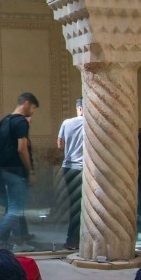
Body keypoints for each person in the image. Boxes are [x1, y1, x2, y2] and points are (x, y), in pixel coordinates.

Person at [0, 92, 37, 253]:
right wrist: (30, 171)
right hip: (16, 171)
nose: (32, 112)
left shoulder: (5, 120)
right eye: (32, 108)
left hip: (3, 170)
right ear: (26, 103)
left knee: (14, 207)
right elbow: (22, 149)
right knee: (16, 208)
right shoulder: (21, 122)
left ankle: (19, 242)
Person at [57, 99, 85, 252]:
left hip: (68, 167)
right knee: (80, 207)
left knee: (74, 205)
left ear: (79, 108)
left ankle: (73, 240)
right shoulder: (91, 123)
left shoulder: (67, 123)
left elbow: (60, 144)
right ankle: (74, 240)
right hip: (83, 169)